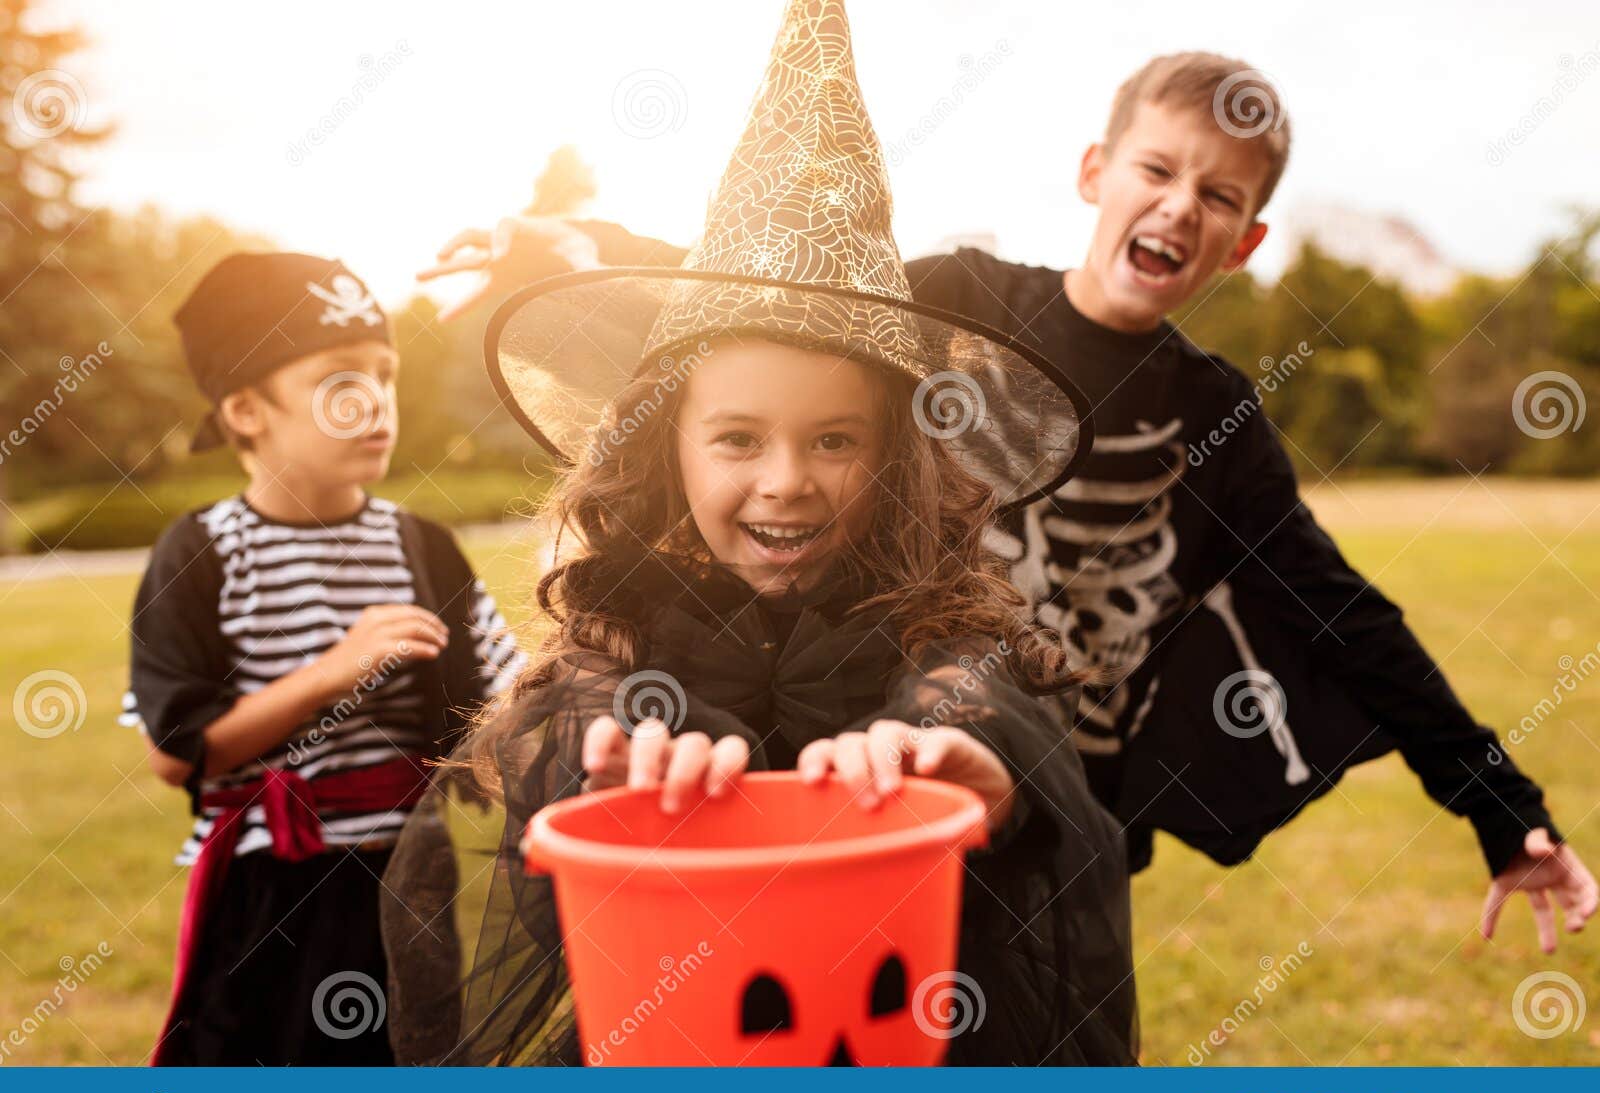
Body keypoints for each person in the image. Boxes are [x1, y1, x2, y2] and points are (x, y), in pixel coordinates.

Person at [422, 53, 1597, 952]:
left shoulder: (1216, 410)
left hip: (1065, 814)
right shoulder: (958, 303)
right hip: (864, 754)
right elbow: (781, 289)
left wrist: (1501, 804)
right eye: (1157, 168)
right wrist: (565, 244)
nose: (1180, 205)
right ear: (1096, 173)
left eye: (1217, 194)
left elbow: (1338, 605)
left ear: (1245, 239)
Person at [380, 0, 1136, 1067]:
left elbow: (976, 692)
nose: (786, 483)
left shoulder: (942, 623)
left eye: (835, 439)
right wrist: (610, 756)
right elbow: (566, 721)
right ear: (665, 445)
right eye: (737, 437)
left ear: (897, 453)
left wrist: (971, 767)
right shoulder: (620, 631)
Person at [120, 251, 525, 1065]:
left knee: (409, 1065)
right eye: (341, 379)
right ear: (244, 408)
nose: (376, 401)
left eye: (384, 373)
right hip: (271, 887)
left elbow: (508, 703)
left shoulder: (426, 548)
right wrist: (331, 674)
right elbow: (176, 753)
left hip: (410, 873)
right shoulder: (203, 553)